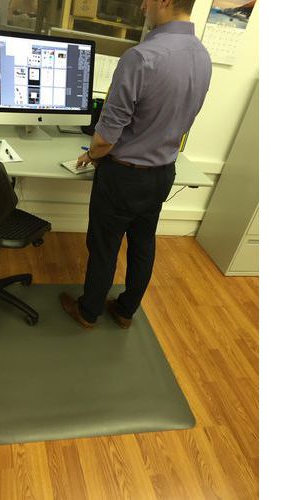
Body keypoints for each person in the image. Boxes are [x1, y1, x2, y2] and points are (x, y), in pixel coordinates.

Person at [60, 0, 212, 329]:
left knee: (104, 246)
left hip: (123, 176)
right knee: (143, 243)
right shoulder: (202, 56)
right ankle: (126, 310)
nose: (143, 6)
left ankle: (88, 311)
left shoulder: (141, 57)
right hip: (163, 173)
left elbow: (105, 138)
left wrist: (92, 154)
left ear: (165, 2)